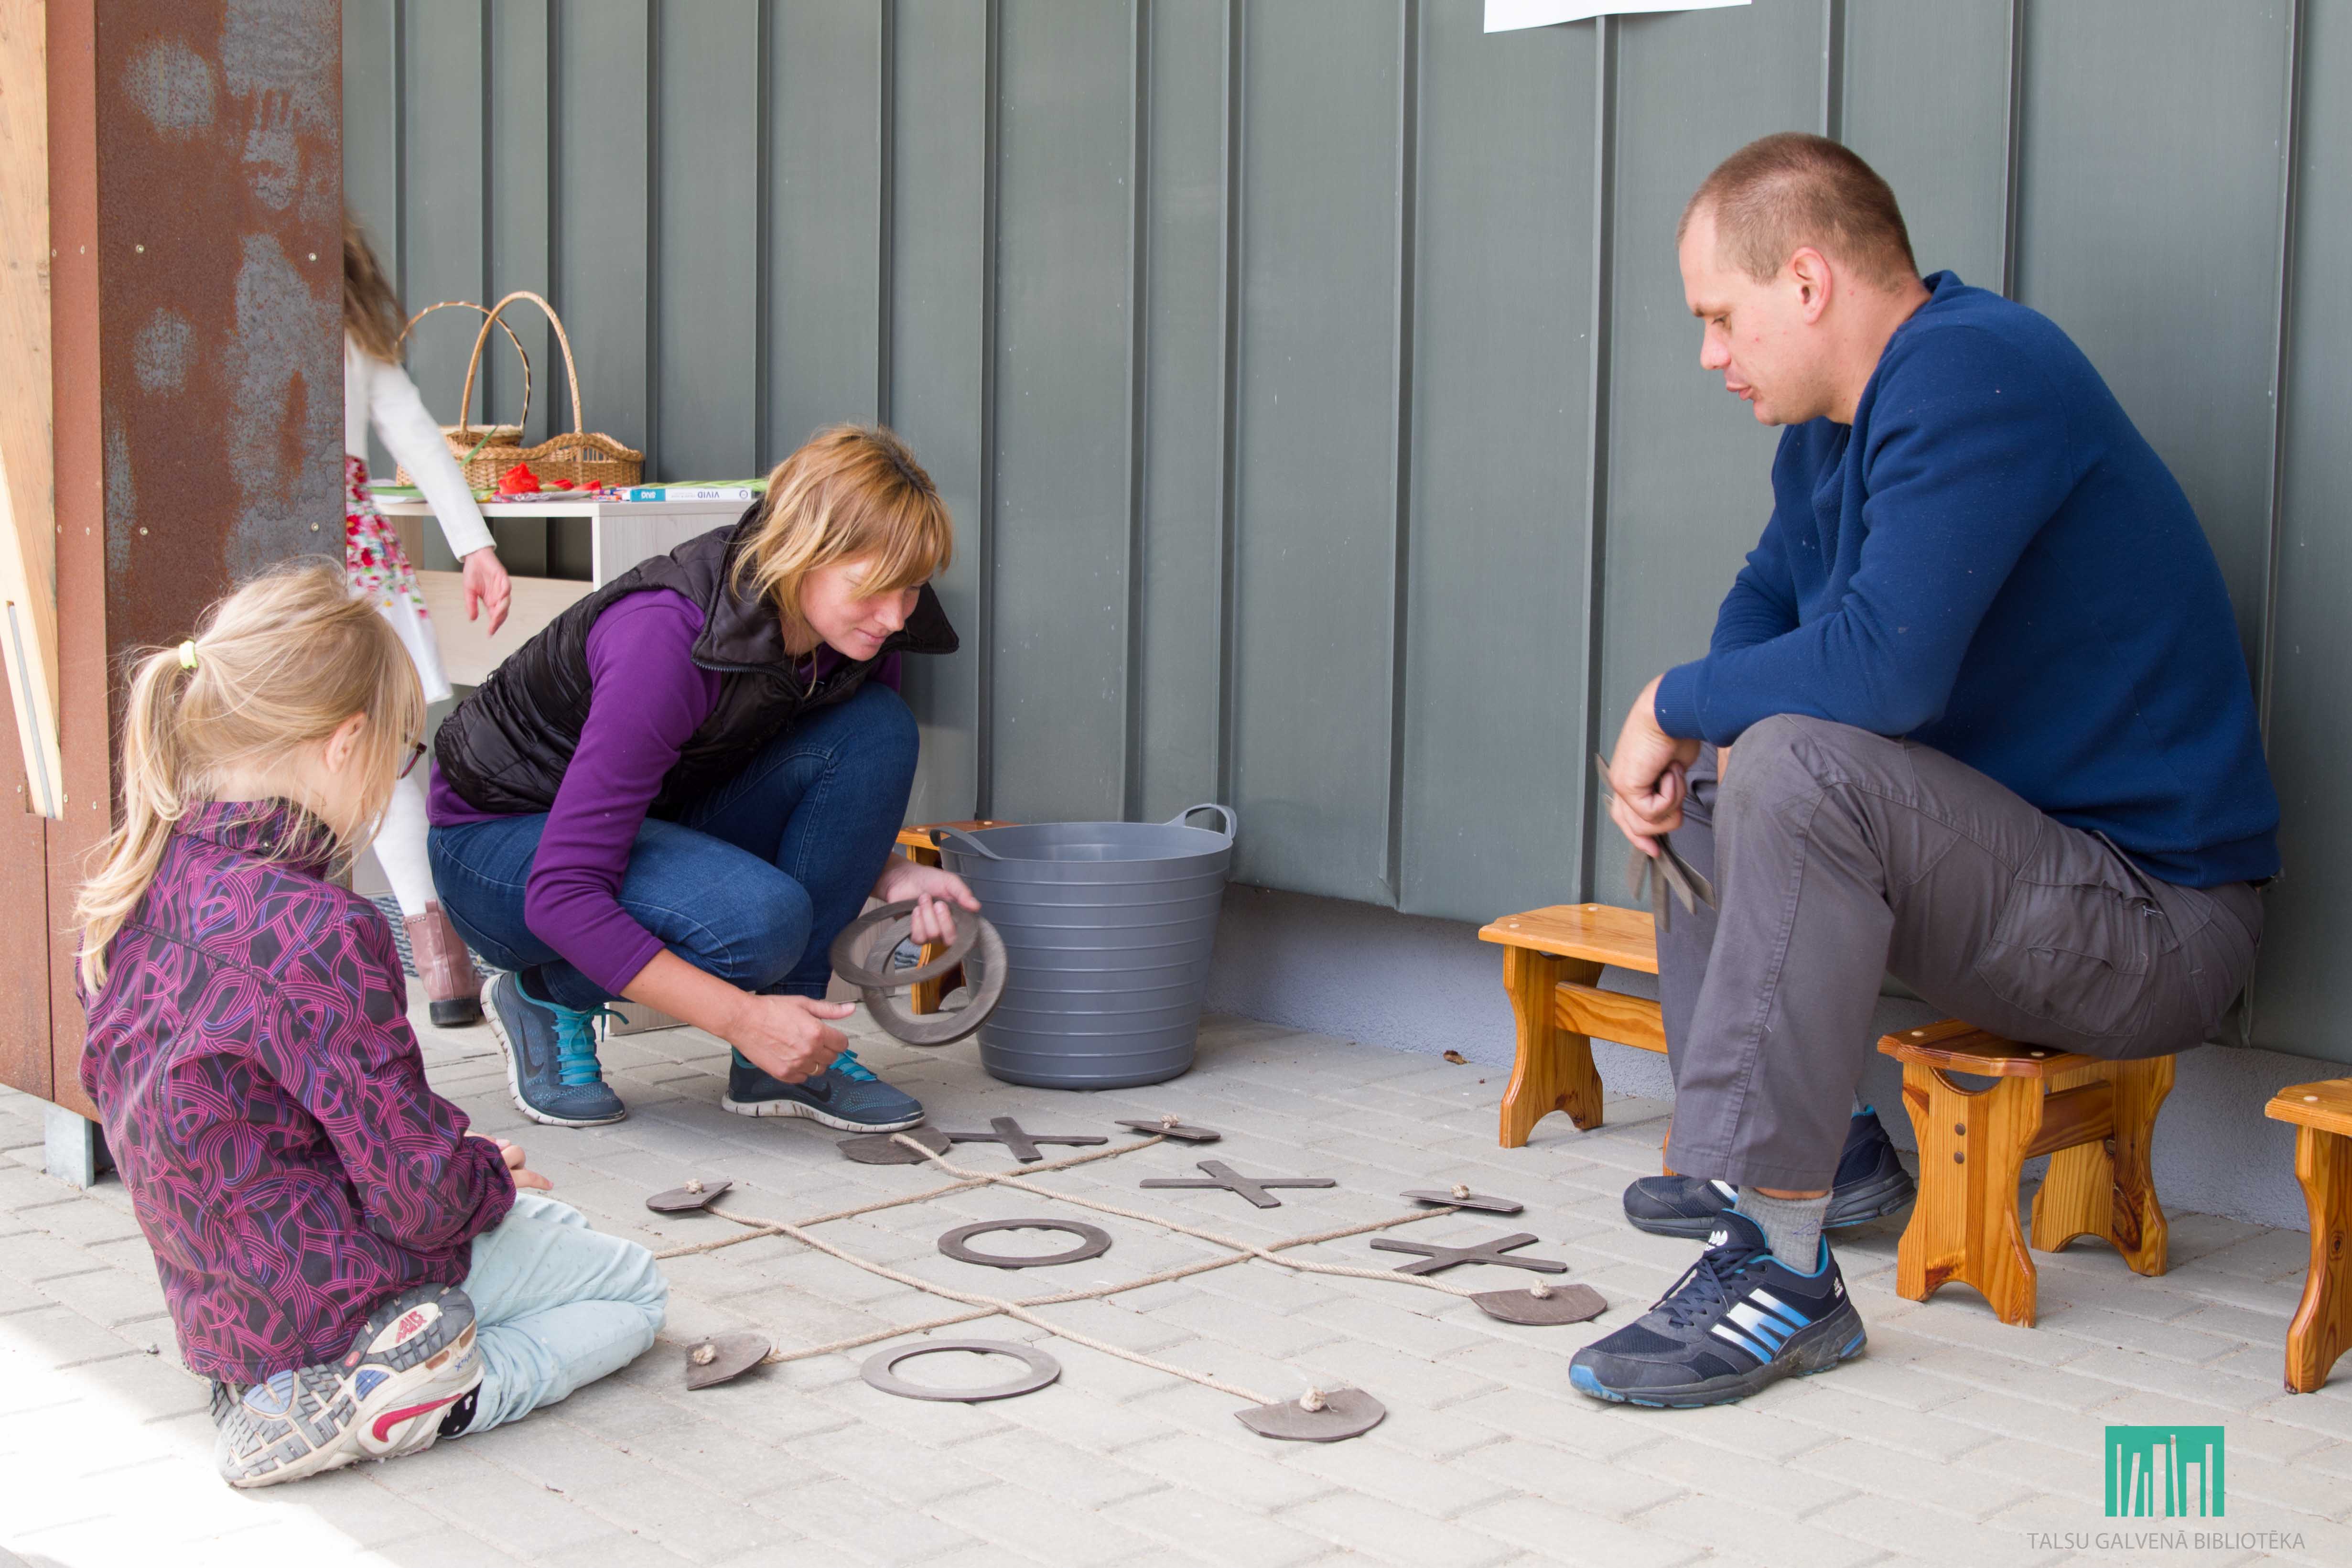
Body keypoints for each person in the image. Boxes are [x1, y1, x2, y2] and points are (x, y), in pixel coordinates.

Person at [1568, 134, 2278, 1409]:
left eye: (1719, 317)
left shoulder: (1976, 372)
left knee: (1789, 757)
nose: (1711, 355)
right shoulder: (1827, 433)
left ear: (1805, 282)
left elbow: (1884, 671)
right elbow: (1764, 608)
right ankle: (1822, 1160)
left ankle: (1780, 1272)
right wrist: (1694, 724)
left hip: (2153, 923)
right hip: (2027, 886)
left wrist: (1665, 702)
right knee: (1720, 773)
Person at [76, 563, 667, 1487]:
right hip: (340, 1293)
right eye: (400, 751)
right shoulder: (322, 928)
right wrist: (480, 1176)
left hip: (222, 1310)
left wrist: (469, 1169)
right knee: (631, 1286)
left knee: (527, 1214)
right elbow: (421, 1196)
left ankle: (277, 1391)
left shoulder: (138, 879)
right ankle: (412, 1395)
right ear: (346, 743)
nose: (398, 777)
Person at [426, 424, 977, 1132]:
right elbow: (563, 895)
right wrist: (739, 1016)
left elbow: (832, 796)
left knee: (877, 725)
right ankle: (544, 995)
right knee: (759, 924)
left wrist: (892, 874)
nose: (896, 616)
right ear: (802, 551)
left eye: (912, 588)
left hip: (652, 819)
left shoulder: (857, 634)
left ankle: (788, 1054)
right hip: (500, 846)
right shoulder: (665, 635)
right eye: (873, 588)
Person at [344, 211, 514, 1027]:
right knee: (382, 758)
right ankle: (443, 964)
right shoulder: (349, 323)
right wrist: (474, 544)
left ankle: (283, 953)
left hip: (274, 547)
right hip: (353, 551)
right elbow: (414, 431)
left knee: (290, 754)